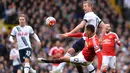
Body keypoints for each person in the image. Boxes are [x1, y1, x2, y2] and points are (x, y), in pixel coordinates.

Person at [57, 0, 106, 73]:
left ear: (90, 7)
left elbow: (81, 25)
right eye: (83, 6)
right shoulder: (96, 17)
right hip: (89, 38)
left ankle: (58, 69)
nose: (83, 8)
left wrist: (69, 33)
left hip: (86, 39)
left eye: (85, 6)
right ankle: (59, 68)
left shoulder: (88, 15)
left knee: (75, 54)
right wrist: (101, 39)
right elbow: (104, 26)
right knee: (83, 59)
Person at [38, 25, 102, 73]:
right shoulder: (89, 35)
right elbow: (80, 34)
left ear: (90, 32)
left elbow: (100, 55)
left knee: (64, 59)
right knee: (76, 62)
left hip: (85, 59)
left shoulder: (95, 42)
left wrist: (98, 69)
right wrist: (68, 35)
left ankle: (46, 61)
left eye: (87, 31)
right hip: (82, 54)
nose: (85, 32)